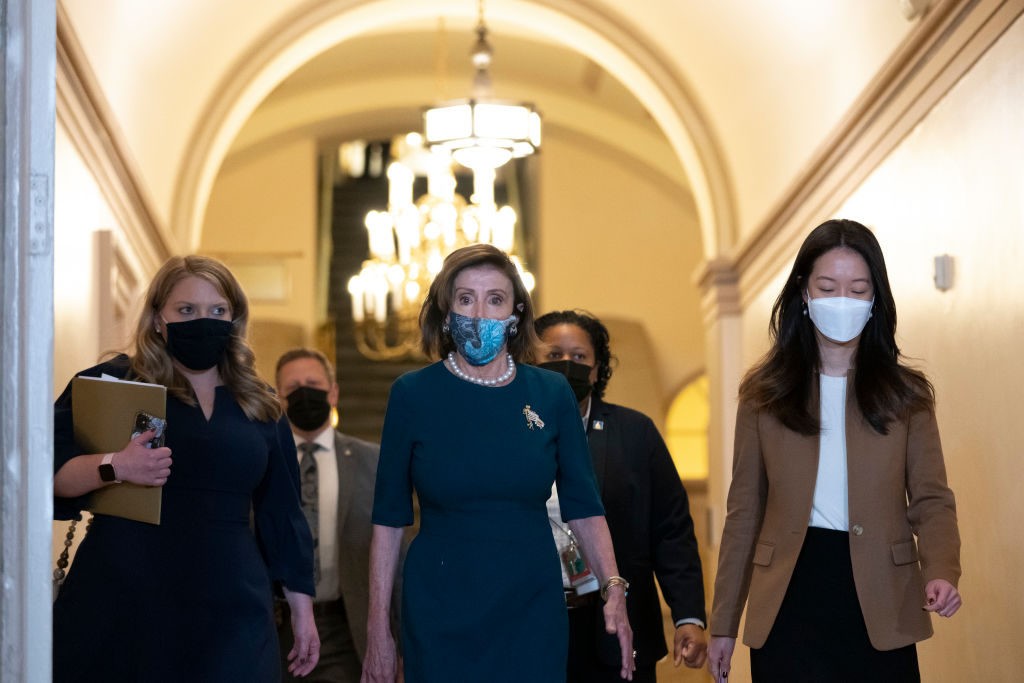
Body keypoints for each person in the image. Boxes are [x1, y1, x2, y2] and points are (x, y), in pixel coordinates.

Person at [361, 244, 634, 683]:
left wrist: (613, 588)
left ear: (515, 314)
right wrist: (378, 629)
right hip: (439, 605)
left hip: (531, 605)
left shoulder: (551, 394)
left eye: (495, 300)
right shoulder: (412, 395)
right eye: (465, 299)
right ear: (445, 314)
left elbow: (584, 506)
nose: (479, 314)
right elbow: (389, 521)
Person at [707, 219, 962, 682]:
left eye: (857, 289)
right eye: (827, 287)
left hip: (882, 597)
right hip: (788, 596)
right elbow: (744, 511)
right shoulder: (764, 395)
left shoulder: (907, 396)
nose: (842, 300)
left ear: (875, 300)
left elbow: (931, 499)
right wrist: (723, 622)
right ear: (803, 293)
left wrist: (941, 569)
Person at [52, 255, 319, 682]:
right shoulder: (115, 382)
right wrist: (116, 465)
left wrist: (302, 610)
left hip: (233, 600)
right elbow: (50, 475)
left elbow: (282, 513)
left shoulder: (259, 402)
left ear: (234, 318)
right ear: (159, 318)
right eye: (187, 310)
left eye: (217, 310)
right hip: (127, 594)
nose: (203, 321)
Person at [535, 310, 708, 682]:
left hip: (616, 627)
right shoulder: (511, 432)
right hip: (532, 625)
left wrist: (688, 615)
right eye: (553, 355)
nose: (566, 364)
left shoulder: (635, 433)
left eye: (579, 356)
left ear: (597, 369)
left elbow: (671, 530)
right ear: (531, 361)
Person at [275, 347, 405, 682]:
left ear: (333, 392)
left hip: (345, 627)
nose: (304, 393)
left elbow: (396, 554)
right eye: (293, 388)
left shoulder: (372, 461)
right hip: (276, 628)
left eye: (313, 384)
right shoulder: (265, 460)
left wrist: (401, 643)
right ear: (279, 397)